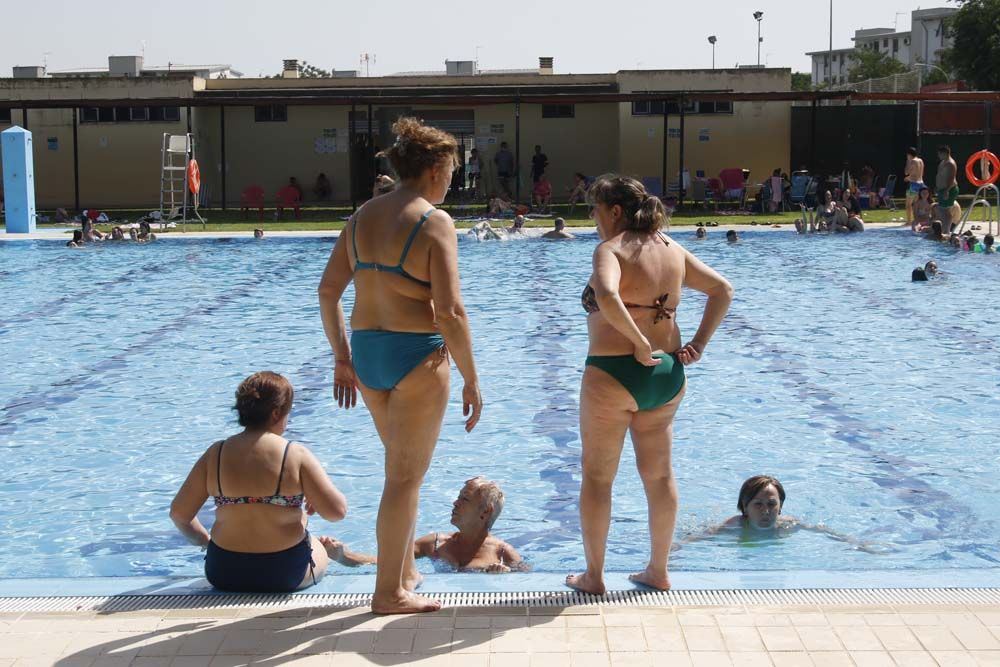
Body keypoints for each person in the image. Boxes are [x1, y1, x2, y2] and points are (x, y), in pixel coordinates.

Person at [318, 117, 482, 614]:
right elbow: (451, 312)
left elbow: (328, 292)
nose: (453, 179)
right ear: (434, 168)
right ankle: (388, 593)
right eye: (452, 169)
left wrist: (341, 357)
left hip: (368, 355)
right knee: (404, 479)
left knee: (400, 471)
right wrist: (472, 376)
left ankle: (405, 572)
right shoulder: (434, 221)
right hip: (417, 356)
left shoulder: (361, 217)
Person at [566, 175, 733, 595]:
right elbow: (722, 290)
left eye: (596, 210)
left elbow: (606, 295)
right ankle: (657, 570)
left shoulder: (610, 249)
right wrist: (698, 344)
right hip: (667, 376)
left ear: (615, 211)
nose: (593, 218)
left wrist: (639, 343)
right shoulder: (671, 249)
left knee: (598, 478)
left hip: (613, 373)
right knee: (659, 477)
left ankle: (594, 577)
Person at [169, 372, 349, 593]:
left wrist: (206, 542)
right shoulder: (294, 453)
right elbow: (337, 512)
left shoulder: (216, 452)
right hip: (283, 573)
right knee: (322, 545)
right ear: (276, 413)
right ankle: (335, 553)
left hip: (224, 572)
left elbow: (179, 514)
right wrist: (312, 494)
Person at [682, 476, 885, 552]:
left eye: (772, 503)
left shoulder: (788, 524)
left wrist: (856, 543)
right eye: (758, 504)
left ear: (781, 506)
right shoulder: (735, 525)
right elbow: (698, 539)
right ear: (744, 507)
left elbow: (824, 532)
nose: (766, 511)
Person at [935, 145, 960, 233]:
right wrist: (937, 187)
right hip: (942, 189)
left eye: (940, 154)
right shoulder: (943, 162)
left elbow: (951, 178)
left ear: (945, 153)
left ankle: (947, 231)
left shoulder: (951, 163)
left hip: (949, 190)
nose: (938, 156)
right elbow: (939, 176)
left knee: (946, 211)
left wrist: (947, 190)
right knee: (942, 210)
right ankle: (944, 229)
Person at [904, 147, 925, 227]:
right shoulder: (920, 160)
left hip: (914, 185)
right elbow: (920, 174)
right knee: (917, 204)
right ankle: (917, 220)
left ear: (909, 154)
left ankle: (909, 221)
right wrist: (909, 177)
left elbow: (906, 172)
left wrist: (908, 162)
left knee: (908, 204)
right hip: (921, 183)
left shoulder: (912, 161)